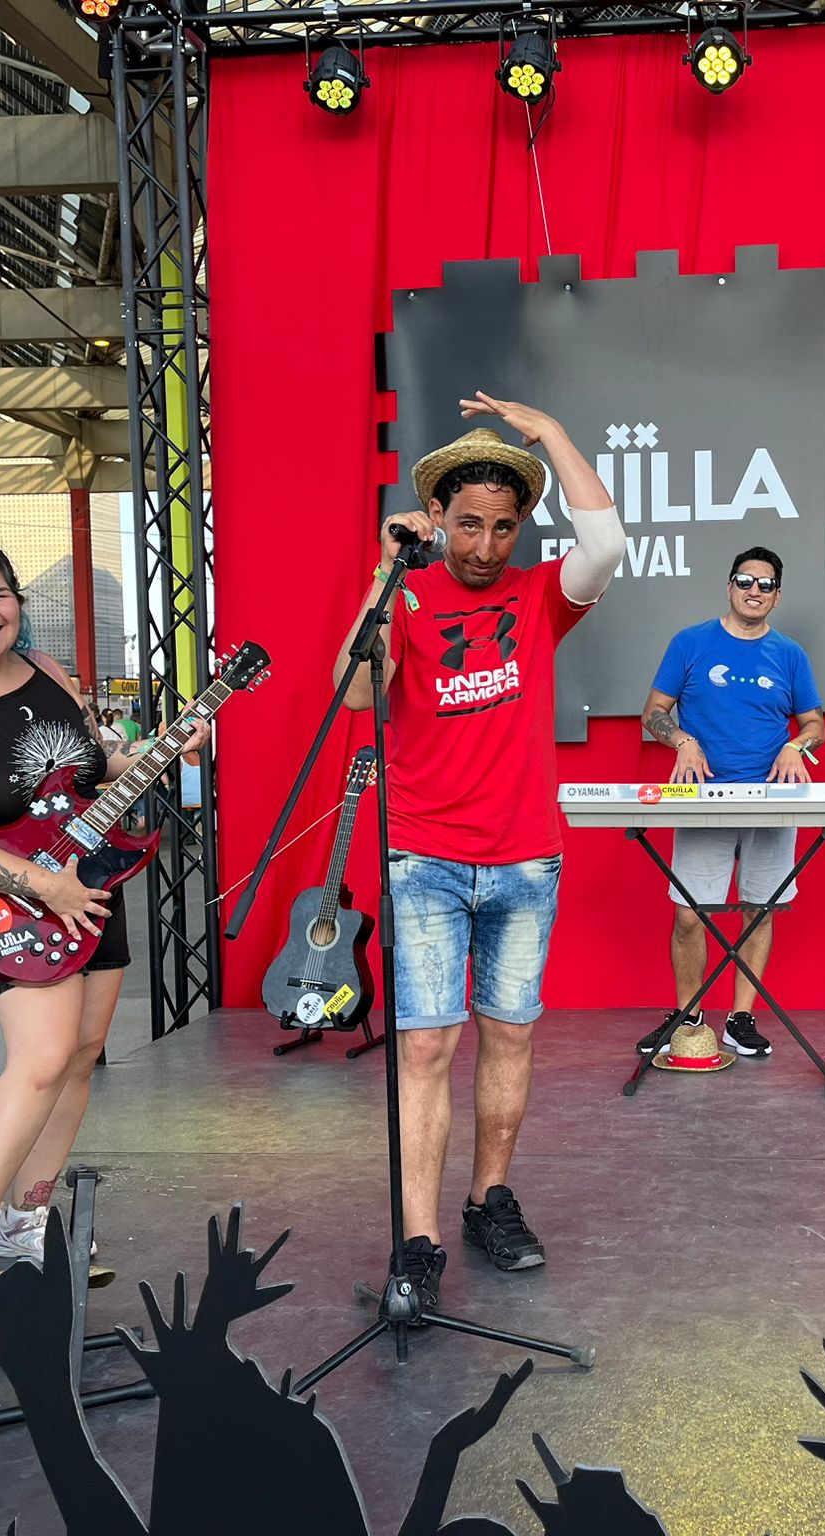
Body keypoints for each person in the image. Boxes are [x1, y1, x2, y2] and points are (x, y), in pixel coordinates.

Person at [336, 392, 620, 1310]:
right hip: (421, 856)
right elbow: (352, 695)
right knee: (423, 1051)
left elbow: (607, 549)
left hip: (525, 859)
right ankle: (416, 1240)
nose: (485, 546)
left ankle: (487, 1198)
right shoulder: (407, 593)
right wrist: (387, 569)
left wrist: (553, 433)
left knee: (510, 1035)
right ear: (436, 520)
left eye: (503, 527)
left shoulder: (541, 597)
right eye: (467, 525)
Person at [0, 533, 207, 1341]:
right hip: (11, 902)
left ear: (17, 604)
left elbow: (85, 770)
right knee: (38, 1061)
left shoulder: (51, 676)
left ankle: (23, 1226)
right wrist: (43, 885)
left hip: (86, 882)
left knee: (79, 1055)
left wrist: (151, 753)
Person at [635, 547, 824, 1059]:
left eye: (765, 585)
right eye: (745, 581)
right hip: (703, 799)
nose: (754, 590)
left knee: (760, 910)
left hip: (770, 801)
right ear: (729, 586)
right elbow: (654, 712)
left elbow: (815, 725)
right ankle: (690, 1016)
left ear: (777, 596)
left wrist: (794, 745)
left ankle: (741, 1018)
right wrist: (682, 741)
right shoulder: (691, 642)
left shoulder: (789, 654)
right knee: (689, 915)